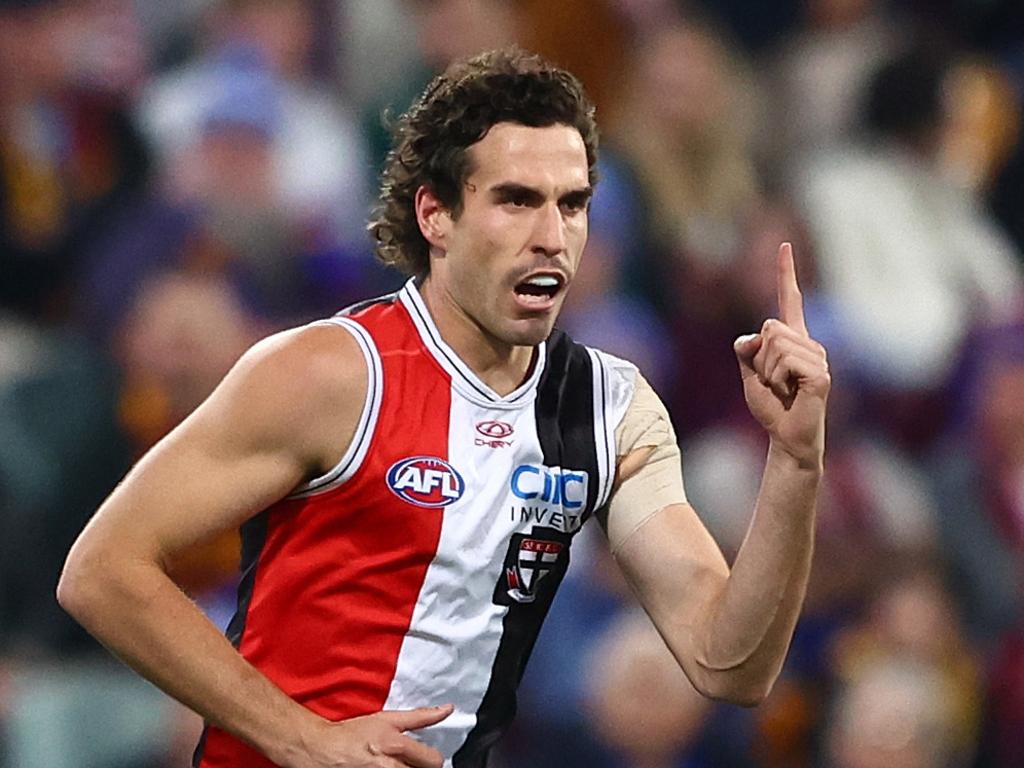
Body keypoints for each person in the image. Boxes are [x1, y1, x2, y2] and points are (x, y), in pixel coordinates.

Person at [58, 49, 831, 768]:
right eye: (517, 201)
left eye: (571, 205)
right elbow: (101, 571)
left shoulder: (611, 410)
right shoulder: (331, 373)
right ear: (435, 215)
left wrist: (795, 462)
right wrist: (302, 739)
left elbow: (729, 664)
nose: (551, 236)